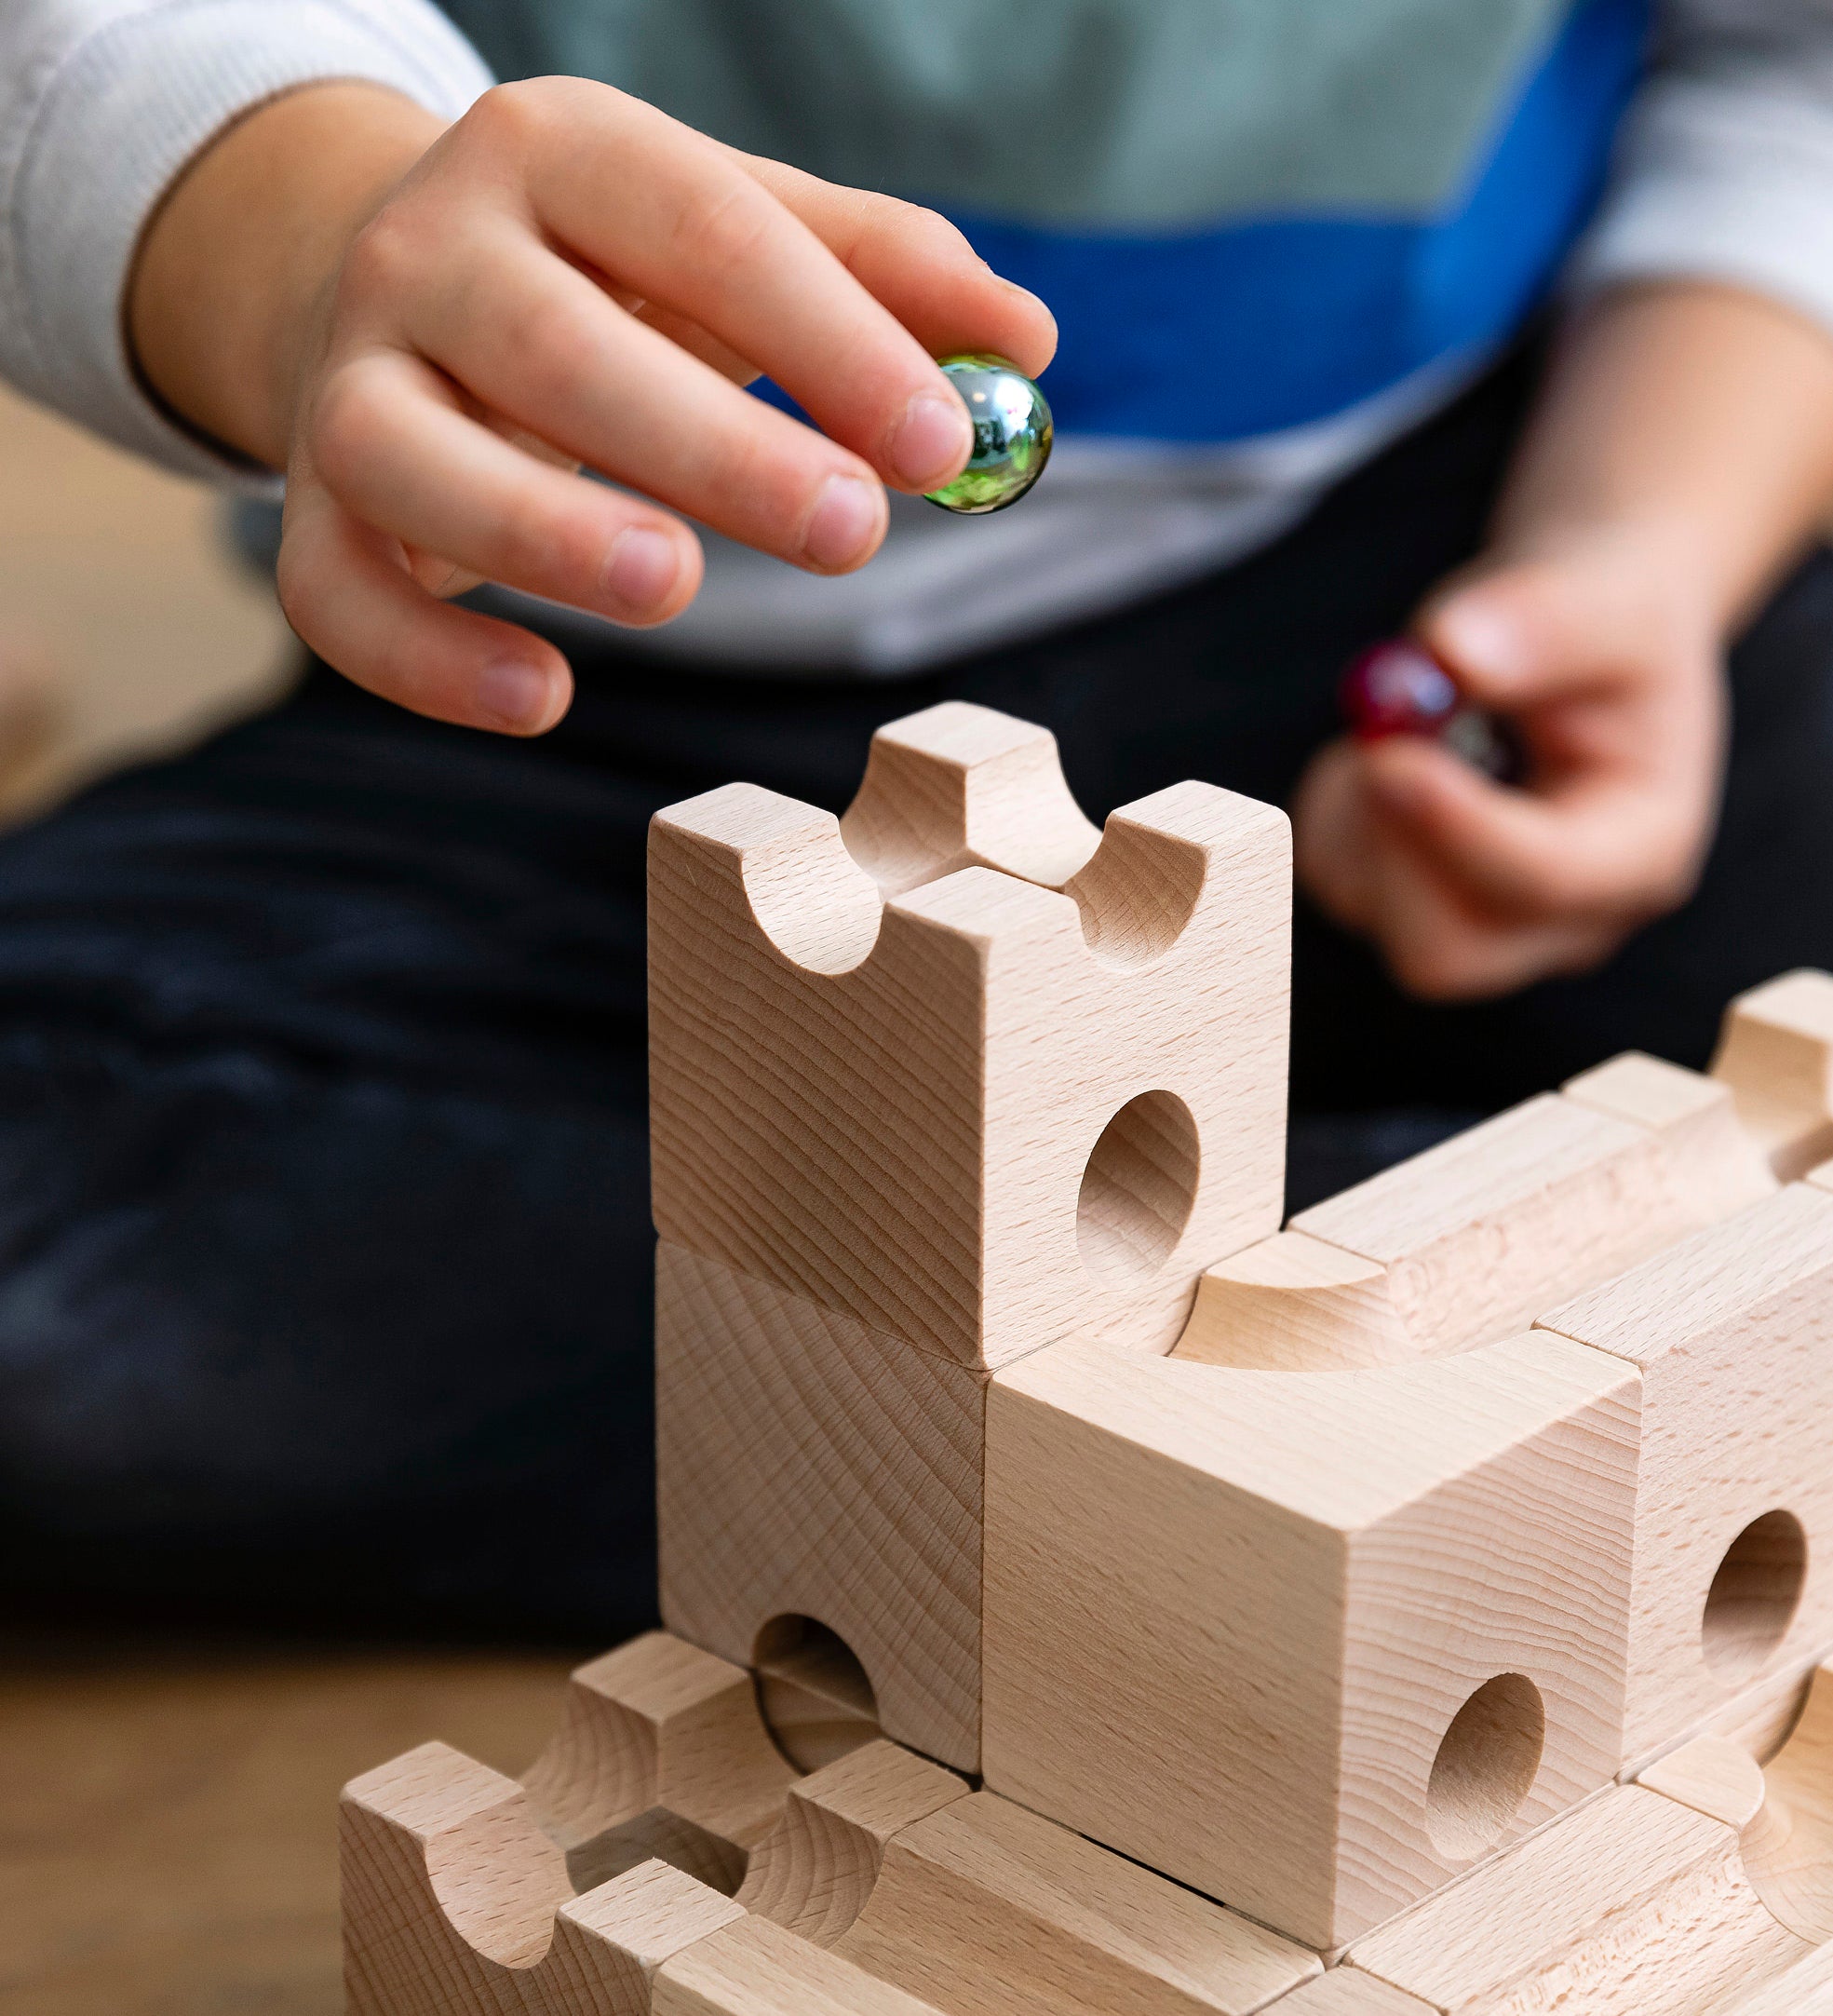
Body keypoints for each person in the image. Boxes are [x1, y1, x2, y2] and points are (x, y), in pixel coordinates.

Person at [4, 0, 1833, 1641]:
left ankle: (1325, 1325)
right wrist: (317, 238)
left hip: (1453, 540)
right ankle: (1502, 1298)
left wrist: (1638, 550)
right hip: (568, 673)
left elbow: (1784, 77)